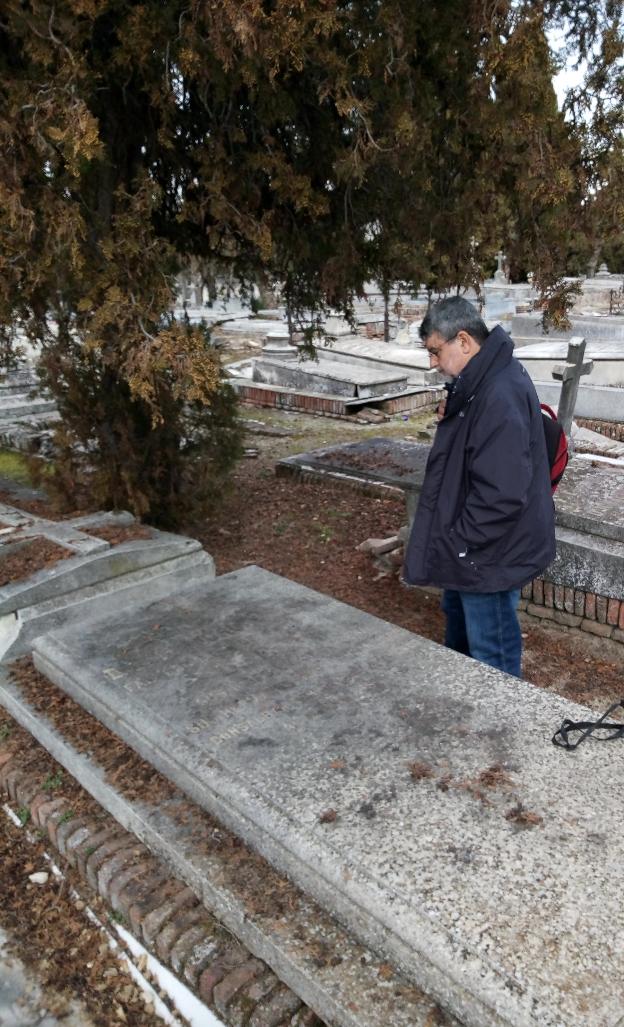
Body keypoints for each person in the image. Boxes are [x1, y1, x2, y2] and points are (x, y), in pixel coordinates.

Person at [402, 295, 555, 677]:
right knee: (464, 649)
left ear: (465, 342)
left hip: (485, 555)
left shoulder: (498, 393)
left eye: (436, 352)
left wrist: (460, 542)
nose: (434, 363)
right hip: (471, 550)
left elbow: (501, 495)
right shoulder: (481, 382)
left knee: (493, 659)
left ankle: (500, 730)